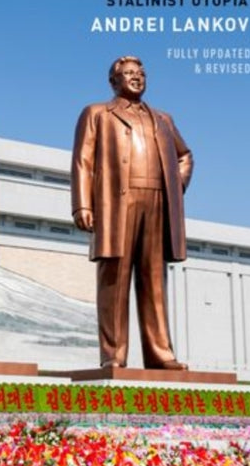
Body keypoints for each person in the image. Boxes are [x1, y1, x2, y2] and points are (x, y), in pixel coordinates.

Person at [71, 56, 193, 369]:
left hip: (156, 202)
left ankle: (160, 353)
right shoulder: (97, 113)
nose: (136, 77)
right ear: (114, 81)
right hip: (116, 204)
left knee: (154, 281)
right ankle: (114, 354)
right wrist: (82, 204)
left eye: (141, 73)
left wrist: (175, 187)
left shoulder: (162, 118)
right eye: (128, 73)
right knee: (114, 279)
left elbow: (185, 156)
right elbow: (83, 161)